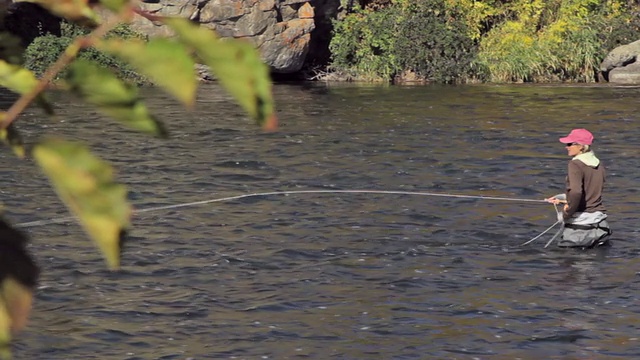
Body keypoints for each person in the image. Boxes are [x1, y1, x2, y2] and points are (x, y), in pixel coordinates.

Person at [545, 128, 611, 248]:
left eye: (570, 144)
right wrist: (562, 199)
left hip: (580, 231)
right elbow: (590, 194)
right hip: (600, 226)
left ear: (581, 146)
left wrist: (567, 212)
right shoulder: (599, 164)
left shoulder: (575, 164)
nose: (567, 146)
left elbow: (576, 192)